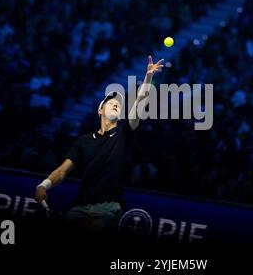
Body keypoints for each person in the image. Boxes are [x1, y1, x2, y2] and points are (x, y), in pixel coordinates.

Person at [35, 55, 163, 239]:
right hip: (79, 207)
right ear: (100, 110)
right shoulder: (83, 141)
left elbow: (140, 101)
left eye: (118, 104)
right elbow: (63, 171)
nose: (115, 104)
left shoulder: (124, 133)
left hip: (108, 208)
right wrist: (43, 185)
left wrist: (148, 77)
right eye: (111, 102)